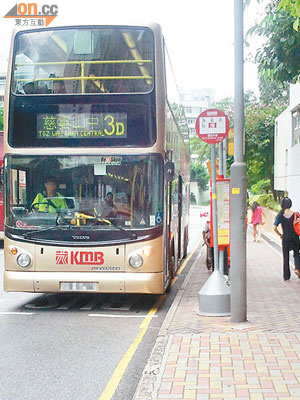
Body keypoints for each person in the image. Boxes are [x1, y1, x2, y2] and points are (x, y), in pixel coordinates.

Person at [274, 197, 300, 281]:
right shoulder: (296, 214)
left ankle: (286, 276)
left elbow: (274, 227)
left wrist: (280, 234)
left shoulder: (280, 215)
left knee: (286, 257)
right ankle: (297, 268)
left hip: (285, 238)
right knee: (296, 254)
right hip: (295, 237)